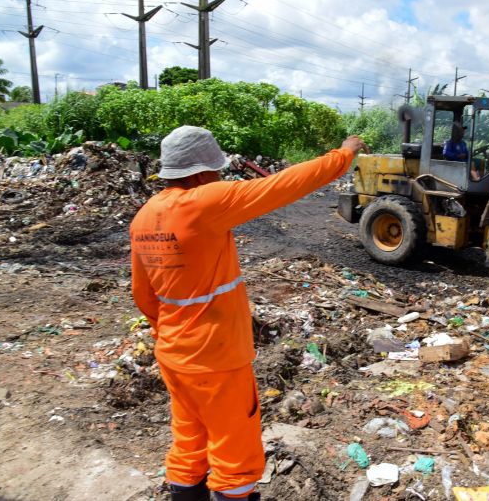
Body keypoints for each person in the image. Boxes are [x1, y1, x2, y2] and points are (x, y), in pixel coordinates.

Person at [130, 126, 368, 501]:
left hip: (174, 355)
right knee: (234, 454)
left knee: (189, 443)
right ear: (197, 173)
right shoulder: (203, 202)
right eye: (215, 170)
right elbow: (283, 185)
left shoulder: (145, 217)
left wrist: (170, 336)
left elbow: (143, 295)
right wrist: (343, 154)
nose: (220, 176)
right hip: (216, 356)